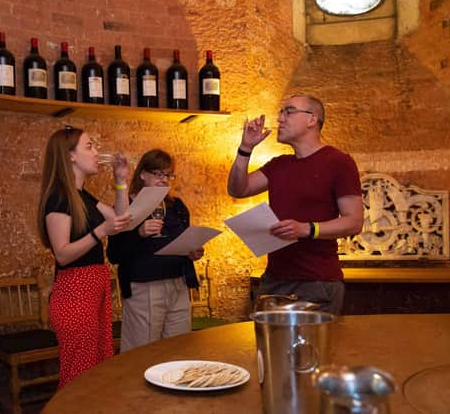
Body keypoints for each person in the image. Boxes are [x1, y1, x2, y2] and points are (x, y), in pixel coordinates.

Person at [227, 95, 363, 315]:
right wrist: (245, 148)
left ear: (312, 119)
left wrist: (307, 229)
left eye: (288, 111)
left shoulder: (338, 161)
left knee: (312, 351)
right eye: (281, 112)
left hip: (317, 282)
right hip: (274, 280)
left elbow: (354, 222)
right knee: (269, 349)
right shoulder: (279, 164)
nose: (280, 118)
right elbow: (238, 189)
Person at [37, 125, 130, 388]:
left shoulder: (83, 195)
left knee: (98, 371)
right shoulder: (58, 197)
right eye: (89, 146)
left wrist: (121, 180)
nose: (96, 152)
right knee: (79, 376)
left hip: (95, 288)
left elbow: (121, 220)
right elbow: (63, 254)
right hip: (74, 293)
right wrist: (100, 231)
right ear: (70, 156)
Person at [107, 149, 204, 352]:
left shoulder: (176, 206)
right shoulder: (126, 205)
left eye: (168, 175)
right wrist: (138, 234)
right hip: (145, 287)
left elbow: (181, 241)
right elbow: (114, 254)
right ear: (143, 174)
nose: (164, 180)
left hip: (178, 284)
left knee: (179, 350)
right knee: (142, 353)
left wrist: (192, 252)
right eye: (158, 174)